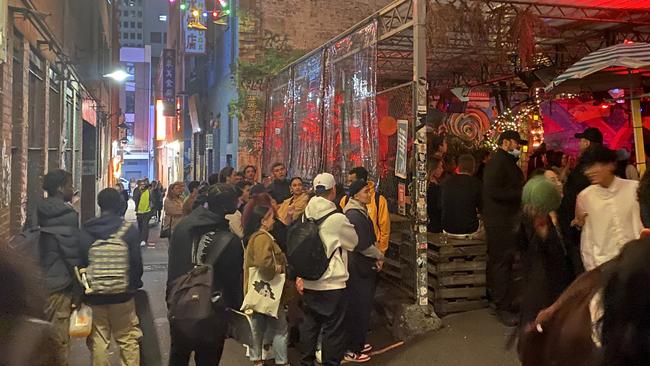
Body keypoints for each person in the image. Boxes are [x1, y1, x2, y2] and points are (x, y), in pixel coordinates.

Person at [167, 184, 244, 366]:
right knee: (208, 359)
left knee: (178, 357)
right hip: (211, 312)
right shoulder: (229, 240)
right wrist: (235, 312)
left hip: (180, 304)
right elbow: (232, 283)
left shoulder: (183, 228)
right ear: (228, 206)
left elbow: (173, 268)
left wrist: (171, 300)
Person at [300, 172, 358, 366]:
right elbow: (353, 242)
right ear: (333, 190)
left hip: (309, 280)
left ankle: (306, 362)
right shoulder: (336, 218)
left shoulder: (305, 215)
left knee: (310, 326)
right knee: (333, 331)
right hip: (332, 282)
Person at [80, 188, 144, 366]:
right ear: (119, 205)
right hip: (122, 295)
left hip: (95, 295)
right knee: (127, 338)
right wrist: (133, 285)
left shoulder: (87, 229)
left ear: (100, 204)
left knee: (99, 339)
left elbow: (81, 261)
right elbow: (136, 263)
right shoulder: (128, 230)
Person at [36, 169, 81, 365]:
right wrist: (80, 287)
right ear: (61, 188)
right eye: (70, 185)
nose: (73, 188)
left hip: (37, 282)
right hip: (60, 284)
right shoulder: (69, 215)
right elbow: (72, 254)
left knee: (38, 336)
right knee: (60, 337)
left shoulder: (37, 209)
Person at [518, 176, 574, 336]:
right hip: (544, 284)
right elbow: (550, 253)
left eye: (556, 179)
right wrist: (545, 236)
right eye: (551, 180)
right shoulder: (533, 221)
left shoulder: (557, 213)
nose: (556, 182)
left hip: (552, 281)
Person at [482, 130, 527, 326]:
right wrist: (520, 193)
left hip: (505, 220)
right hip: (500, 221)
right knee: (501, 261)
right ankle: (501, 304)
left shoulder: (505, 163)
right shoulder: (498, 163)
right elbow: (494, 191)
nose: (518, 147)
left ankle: (503, 300)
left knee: (504, 262)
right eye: (516, 143)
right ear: (505, 142)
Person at [574, 146, 642, 271]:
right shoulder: (585, 197)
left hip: (637, 263)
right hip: (606, 267)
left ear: (611, 165)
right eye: (586, 167)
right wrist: (592, 272)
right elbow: (587, 240)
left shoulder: (634, 189)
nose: (589, 171)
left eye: (594, 165)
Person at [242, 195, 292, 366]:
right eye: (271, 217)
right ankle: (281, 361)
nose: (273, 221)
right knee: (280, 328)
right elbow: (264, 263)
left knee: (257, 327)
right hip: (268, 290)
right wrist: (276, 269)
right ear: (263, 221)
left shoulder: (255, 237)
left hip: (257, 291)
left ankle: (257, 360)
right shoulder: (263, 238)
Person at [342, 179, 384, 363]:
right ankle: (352, 348)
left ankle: (357, 342)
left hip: (363, 265)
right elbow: (362, 244)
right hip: (359, 267)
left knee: (362, 305)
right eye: (366, 191)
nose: (369, 194)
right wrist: (379, 255)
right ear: (356, 194)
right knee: (359, 306)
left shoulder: (360, 211)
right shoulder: (354, 215)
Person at [557, 127, 603, 275]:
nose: (579, 145)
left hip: (582, 226)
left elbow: (576, 194)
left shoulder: (587, 166)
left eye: (581, 141)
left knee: (584, 266)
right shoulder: (595, 164)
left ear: (587, 143)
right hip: (589, 223)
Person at [340, 167, 391, 255]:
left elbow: (384, 229)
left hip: (373, 250)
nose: (349, 184)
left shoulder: (379, 200)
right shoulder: (345, 200)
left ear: (361, 181)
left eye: (352, 181)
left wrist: (381, 252)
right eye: (348, 181)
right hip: (353, 252)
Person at [441, 154, 482, 235]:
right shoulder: (476, 184)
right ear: (473, 168)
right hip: (469, 228)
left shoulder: (446, 182)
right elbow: (482, 207)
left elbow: (441, 203)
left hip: (447, 227)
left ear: (458, 167)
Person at [133, 179, 153, 247]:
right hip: (139, 212)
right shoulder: (137, 191)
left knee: (145, 226)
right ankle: (140, 238)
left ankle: (143, 239)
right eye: (141, 185)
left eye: (144, 185)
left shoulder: (148, 191)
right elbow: (135, 198)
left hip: (147, 212)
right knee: (140, 226)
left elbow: (151, 200)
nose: (143, 186)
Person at [426, 158, 444, 233]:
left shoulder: (428, 185)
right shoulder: (434, 188)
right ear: (433, 169)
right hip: (435, 224)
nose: (442, 170)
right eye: (440, 167)